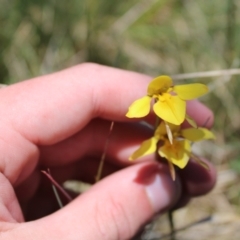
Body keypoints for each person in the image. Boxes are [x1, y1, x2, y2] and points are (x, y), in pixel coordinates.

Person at [0, 63, 215, 239]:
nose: (162, 94)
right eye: (158, 94)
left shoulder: (171, 106)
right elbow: (146, 140)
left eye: (164, 91)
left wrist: (177, 134)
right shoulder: (152, 108)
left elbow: (186, 117)